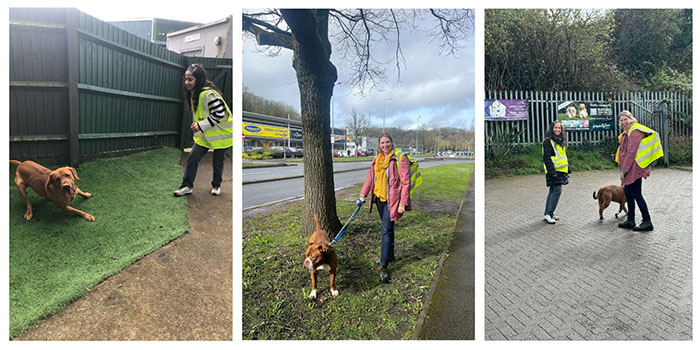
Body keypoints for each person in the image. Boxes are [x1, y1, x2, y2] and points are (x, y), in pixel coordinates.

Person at [359, 133, 411, 283]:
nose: (385, 145)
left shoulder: (400, 158)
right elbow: (370, 178)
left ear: (392, 142)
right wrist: (363, 194)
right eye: (382, 143)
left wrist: (403, 203)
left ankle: (384, 266)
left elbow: (405, 183)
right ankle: (390, 255)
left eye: (387, 142)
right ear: (379, 145)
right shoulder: (377, 159)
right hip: (380, 200)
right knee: (388, 228)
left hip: (392, 201)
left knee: (386, 231)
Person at [174, 64, 232, 196]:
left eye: (190, 79)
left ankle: (216, 186)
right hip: (205, 135)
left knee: (217, 164)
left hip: (223, 135)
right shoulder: (194, 94)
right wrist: (200, 126)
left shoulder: (208, 94)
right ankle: (187, 186)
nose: (187, 82)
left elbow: (220, 114)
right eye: (186, 79)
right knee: (192, 158)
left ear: (198, 80)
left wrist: (201, 125)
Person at [616, 110, 663, 231]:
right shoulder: (629, 131)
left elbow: (631, 153)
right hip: (630, 167)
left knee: (636, 194)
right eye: (621, 120)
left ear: (631, 119)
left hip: (634, 168)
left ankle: (647, 221)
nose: (623, 122)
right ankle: (630, 220)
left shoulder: (635, 132)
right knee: (628, 193)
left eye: (625, 119)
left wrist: (624, 171)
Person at [542, 120, 570, 224]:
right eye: (555, 127)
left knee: (552, 191)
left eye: (559, 128)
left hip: (561, 171)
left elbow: (563, 157)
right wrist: (552, 171)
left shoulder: (559, 141)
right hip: (554, 171)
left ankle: (548, 213)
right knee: (557, 191)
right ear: (551, 129)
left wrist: (568, 168)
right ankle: (549, 213)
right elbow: (547, 158)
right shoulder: (548, 141)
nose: (557, 129)